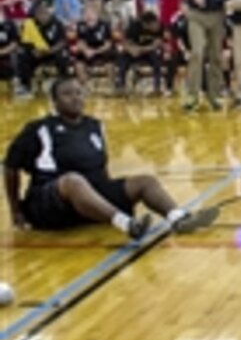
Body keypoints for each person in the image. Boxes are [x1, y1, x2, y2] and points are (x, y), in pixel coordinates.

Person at [4, 77, 220, 238]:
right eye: (67, 93)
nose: (76, 97)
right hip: (50, 203)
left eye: (79, 92)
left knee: (145, 181)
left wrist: (108, 196)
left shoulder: (94, 126)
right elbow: (10, 167)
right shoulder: (40, 129)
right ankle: (127, 225)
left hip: (86, 201)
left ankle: (178, 218)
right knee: (74, 180)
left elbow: (101, 167)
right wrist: (16, 211)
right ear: (55, 101)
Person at [181, 0, 230, 111]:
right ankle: (192, 96)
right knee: (197, 53)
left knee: (216, 56)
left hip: (216, 16)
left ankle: (214, 95)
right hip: (197, 16)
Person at [16, 0, 70, 97]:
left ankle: (64, 86)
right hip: (36, 53)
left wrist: (49, 51)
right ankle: (25, 86)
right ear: (35, 14)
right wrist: (33, 51)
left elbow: (63, 42)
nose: (42, 15)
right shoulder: (29, 24)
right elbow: (24, 42)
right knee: (22, 54)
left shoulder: (57, 23)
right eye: (39, 13)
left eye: (44, 12)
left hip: (52, 52)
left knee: (63, 55)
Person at [117, 9, 164, 94]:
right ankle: (121, 87)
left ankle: (157, 87)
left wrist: (141, 50)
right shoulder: (134, 26)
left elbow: (156, 45)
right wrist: (131, 50)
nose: (157, 26)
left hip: (148, 51)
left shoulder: (160, 28)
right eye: (154, 25)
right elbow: (125, 43)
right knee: (123, 60)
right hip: (133, 51)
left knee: (156, 60)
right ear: (146, 25)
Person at [73, 3, 116, 86]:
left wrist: (95, 52)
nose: (88, 16)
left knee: (110, 59)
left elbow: (108, 44)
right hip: (87, 50)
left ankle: (111, 85)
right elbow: (80, 42)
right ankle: (85, 86)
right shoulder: (80, 25)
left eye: (91, 13)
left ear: (96, 15)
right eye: (86, 13)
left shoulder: (105, 25)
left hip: (102, 50)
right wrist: (85, 50)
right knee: (78, 62)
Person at [0, 5, 22, 82]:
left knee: (17, 56)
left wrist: (2, 52)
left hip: (7, 57)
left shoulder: (9, 24)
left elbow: (14, 44)